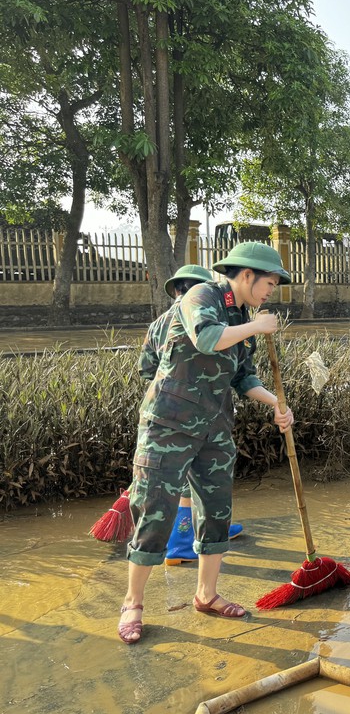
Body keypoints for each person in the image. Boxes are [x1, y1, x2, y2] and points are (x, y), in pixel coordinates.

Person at [118, 242, 294, 644]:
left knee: (216, 509)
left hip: (215, 427)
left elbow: (243, 377)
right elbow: (206, 338)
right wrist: (256, 327)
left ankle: (206, 594)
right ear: (246, 275)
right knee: (155, 512)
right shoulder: (203, 295)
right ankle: (133, 603)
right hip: (169, 424)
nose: (271, 293)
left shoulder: (242, 315)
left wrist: (277, 404)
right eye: (269, 283)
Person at [138, 264, 244, 565]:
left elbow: (146, 368)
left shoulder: (158, 323)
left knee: (173, 483)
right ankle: (183, 539)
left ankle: (184, 538)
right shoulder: (210, 320)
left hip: (165, 410)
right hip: (198, 416)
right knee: (193, 482)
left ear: (176, 289)